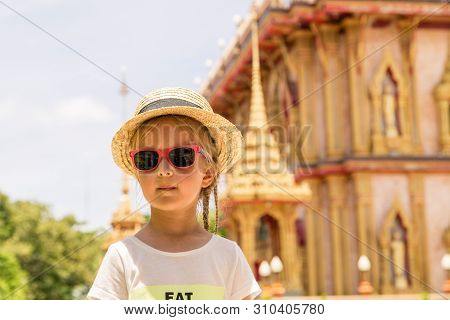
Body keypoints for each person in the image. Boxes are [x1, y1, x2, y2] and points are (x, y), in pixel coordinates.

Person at [87, 87, 262, 300]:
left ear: (208, 173)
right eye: (147, 158)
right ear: (138, 173)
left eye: (181, 156)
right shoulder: (122, 257)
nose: (163, 170)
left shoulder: (228, 257)